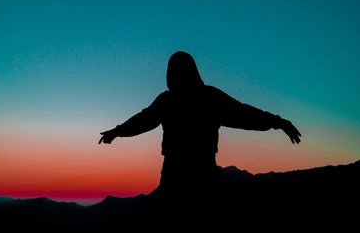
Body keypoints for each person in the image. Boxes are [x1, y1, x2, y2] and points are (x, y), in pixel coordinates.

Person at [98, 51, 301, 201]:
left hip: (189, 176)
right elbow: (143, 120)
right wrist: (118, 131)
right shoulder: (192, 99)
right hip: (186, 176)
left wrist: (278, 122)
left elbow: (245, 114)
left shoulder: (193, 99)